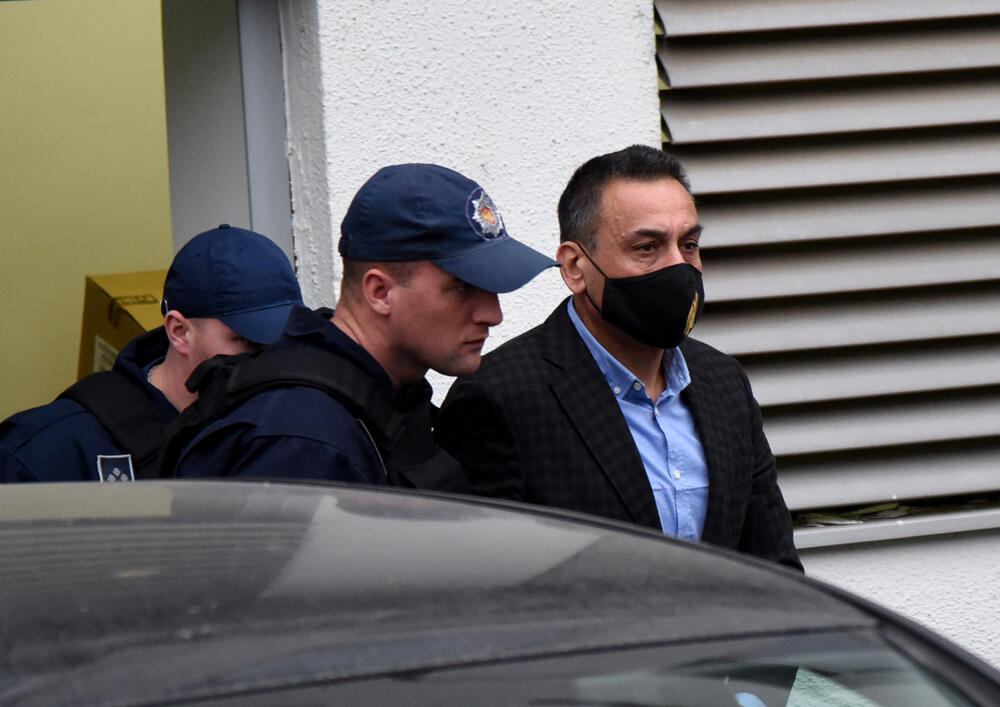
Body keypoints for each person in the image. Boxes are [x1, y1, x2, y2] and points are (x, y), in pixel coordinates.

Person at [435, 145, 802, 570]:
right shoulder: (500, 397)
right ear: (575, 267)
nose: (678, 267)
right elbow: (485, 584)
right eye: (647, 248)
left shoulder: (723, 383)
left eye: (689, 244)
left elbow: (775, 569)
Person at [163, 163, 556, 488]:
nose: (492, 314)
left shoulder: (381, 402)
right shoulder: (302, 440)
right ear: (379, 292)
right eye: (463, 287)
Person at [0, 225, 303, 482]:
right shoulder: (47, 451)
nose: (271, 359)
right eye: (248, 341)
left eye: (284, 338)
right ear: (179, 332)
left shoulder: (292, 434)